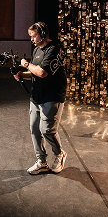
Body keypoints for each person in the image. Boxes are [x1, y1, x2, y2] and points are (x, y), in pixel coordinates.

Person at [14, 22, 68, 175]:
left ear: (43, 34)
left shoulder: (54, 49)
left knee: (47, 130)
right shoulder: (37, 49)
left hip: (52, 95)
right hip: (37, 96)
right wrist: (22, 74)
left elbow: (42, 72)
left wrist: (26, 64)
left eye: (34, 36)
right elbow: (35, 73)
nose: (31, 39)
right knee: (35, 129)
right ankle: (42, 161)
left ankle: (59, 154)